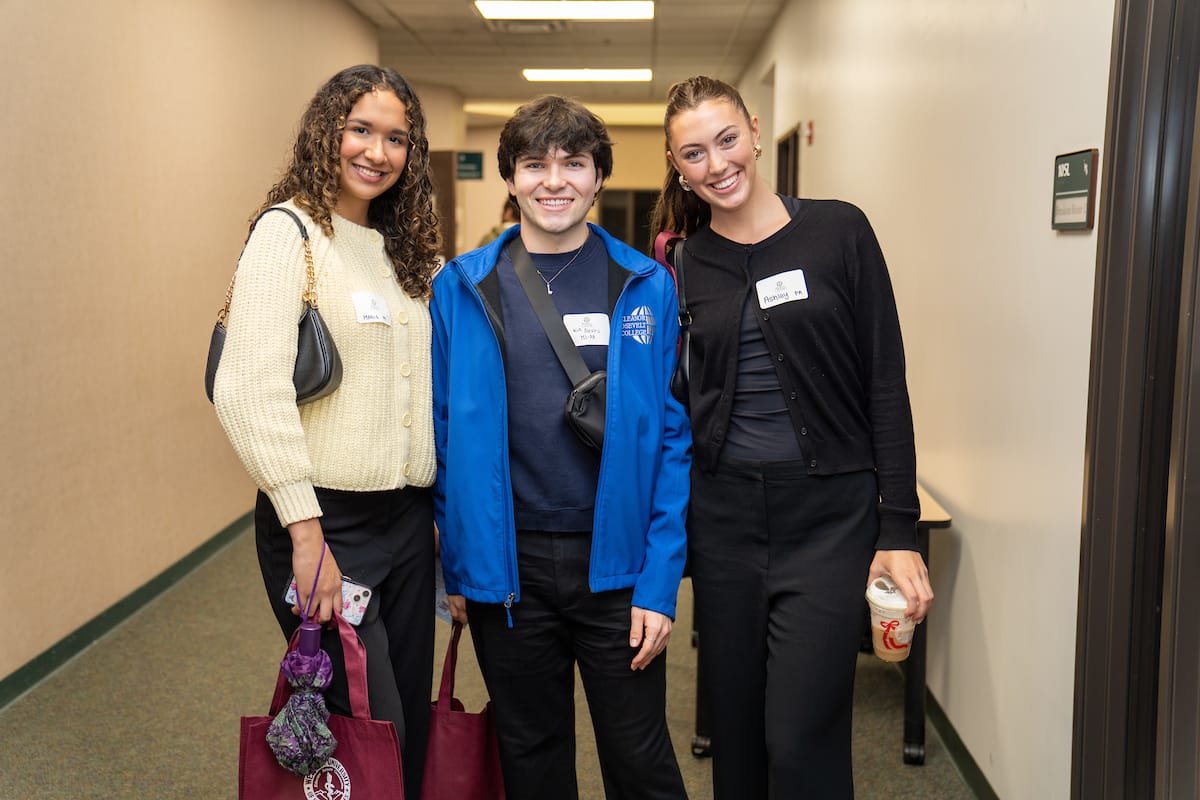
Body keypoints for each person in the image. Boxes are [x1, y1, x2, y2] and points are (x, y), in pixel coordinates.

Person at [648, 75, 935, 799]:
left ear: (752, 129)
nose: (716, 164)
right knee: (736, 736)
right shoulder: (685, 264)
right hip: (725, 522)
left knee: (801, 736)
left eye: (726, 140)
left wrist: (897, 527)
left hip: (829, 520)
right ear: (676, 166)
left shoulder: (840, 231)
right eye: (693, 154)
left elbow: (885, 384)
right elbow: (679, 402)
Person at [430, 95, 691, 800]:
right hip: (507, 572)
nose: (555, 180)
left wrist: (661, 584)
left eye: (574, 163)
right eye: (534, 164)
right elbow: (444, 433)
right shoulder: (461, 288)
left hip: (618, 568)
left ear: (598, 177)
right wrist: (460, 570)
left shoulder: (643, 286)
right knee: (532, 755)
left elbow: (672, 440)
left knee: (639, 758)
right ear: (510, 178)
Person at [212, 64, 440, 799]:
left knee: (405, 728)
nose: (377, 151)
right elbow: (246, 389)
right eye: (360, 130)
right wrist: (306, 532)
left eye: (396, 138)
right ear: (326, 133)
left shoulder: (405, 252)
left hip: (405, 523)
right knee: (361, 722)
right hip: (323, 523)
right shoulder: (289, 234)